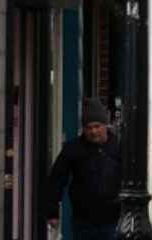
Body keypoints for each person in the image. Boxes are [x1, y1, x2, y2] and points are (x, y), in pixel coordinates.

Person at [46, 99, 122, 240]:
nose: (93, 131)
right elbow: (56, 179)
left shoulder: (118, 147)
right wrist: (52, 212)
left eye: (97, 126)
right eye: (88, 127)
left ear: (105, 125)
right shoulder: (73, 149)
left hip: (112, 220)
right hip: (84, 220)